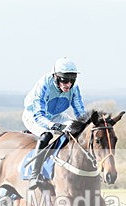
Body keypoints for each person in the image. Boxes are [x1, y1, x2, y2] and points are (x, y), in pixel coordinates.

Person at [22, 57, 87, 189]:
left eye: (72, 80)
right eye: (64, 79)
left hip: (56, 115)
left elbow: (80, 112)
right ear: (55, 77)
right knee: (47, 135)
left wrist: (87, 125)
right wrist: (53, 126)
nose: (68, 84)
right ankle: (34, 175)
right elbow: (39, 115)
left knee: (77, 130)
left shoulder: (74, 88)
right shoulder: (44, 84)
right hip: (34, 115)